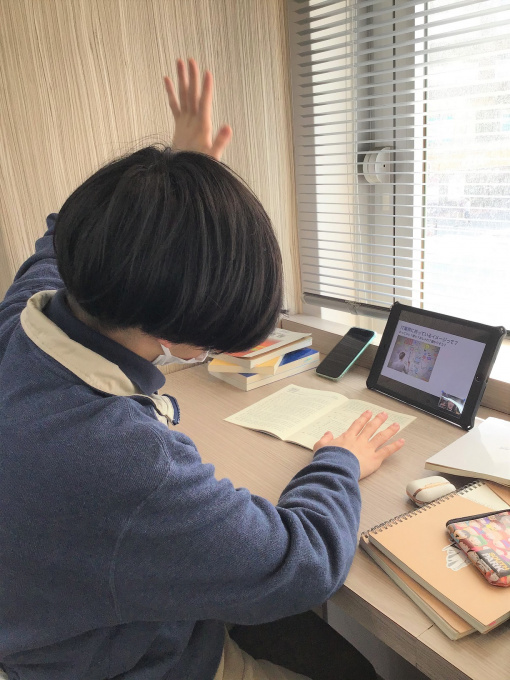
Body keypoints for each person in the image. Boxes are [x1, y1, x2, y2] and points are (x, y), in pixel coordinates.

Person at [0, 59, 405, 680]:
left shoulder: (23, 321)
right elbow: (304, 565)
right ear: (179, 338)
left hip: (67, 622)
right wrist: (339, 461)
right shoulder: (121, 462)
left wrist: (176, 184)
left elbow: (59, 239)